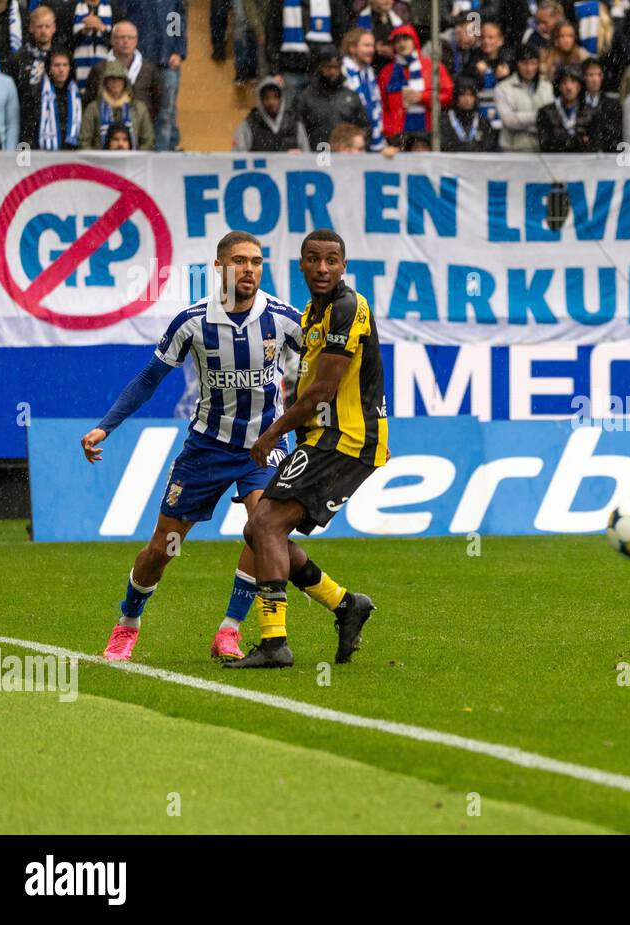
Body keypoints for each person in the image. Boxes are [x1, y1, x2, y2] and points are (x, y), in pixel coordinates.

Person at [82, 232, 304, 663]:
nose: (249, 269)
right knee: (164, 547)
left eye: (256, 261)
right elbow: (149, 378)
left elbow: (331, 362)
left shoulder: (283, 318)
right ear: (219, 266)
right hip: (207, 448)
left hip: (263, 446)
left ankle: (230, 629)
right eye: (239, 260)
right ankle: (128, 623)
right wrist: (106, 427)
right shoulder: (192, 321)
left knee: (265, 530)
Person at [233, 229, 385, 670]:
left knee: (266, 524)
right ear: (300, 264)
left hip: (346, 439)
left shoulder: (348, 307)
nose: (322, 268)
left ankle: (274, 643)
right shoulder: (311, 314)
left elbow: (323, 388)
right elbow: (306, 384)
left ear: (343, 266)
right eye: (314, 259)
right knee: (260, 530)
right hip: (323, 438)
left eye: (331, 260)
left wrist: (271, 434)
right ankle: (345, 604)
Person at [124, 1, 185, 149]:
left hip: (167, 59)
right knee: (136, 110)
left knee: (166, 113)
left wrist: (177, 50)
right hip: (138, 60)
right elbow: (123, 17)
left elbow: (176, 18)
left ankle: (162, 154)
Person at [267, 0, 352, 101]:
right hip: (291, 69)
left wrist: (334, 62)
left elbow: (340, 31)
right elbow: (273, 35)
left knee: (323, 108)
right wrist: (275, 71)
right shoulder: (279, 2)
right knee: (291, 108)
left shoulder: (332, 3)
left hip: (323, 70)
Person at [378, 22, 451, 136]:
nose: (402, 44)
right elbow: (381, 105)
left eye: (406, 39)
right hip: (398, 133)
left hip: (429, 130)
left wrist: (422, 97)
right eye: (398, 41)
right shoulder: (386, 72)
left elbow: (447, 95)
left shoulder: (432, 66)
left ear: (414, 41)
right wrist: (389, 130)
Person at [297, 44, 368, 148]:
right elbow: (297, 130)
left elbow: (364, 128)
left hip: (346, 154)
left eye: (336, 67)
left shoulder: (351, 96)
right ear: (320, 67)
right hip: (317, 154)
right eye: (328, 67)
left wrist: (354, 148)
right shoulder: (306, 97)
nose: (332, 72)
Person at [84, 19, 158, 114]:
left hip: (142, 121)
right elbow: (90, 101)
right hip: (107, 121)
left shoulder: (150, 69)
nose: (126, 41)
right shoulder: (99, 69)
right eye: (121, 37)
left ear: (136, 41)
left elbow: (157, 101)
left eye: (130, 37)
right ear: (112, 40)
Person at [79, 58, 154, 148]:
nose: (115, 82)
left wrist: (136, 156)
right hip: (100, 156)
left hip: (133, 156)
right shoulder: (93, 108)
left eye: (119, 78)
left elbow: (148, 140)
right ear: (105, 81)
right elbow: (84, 141)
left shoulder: (139, 108)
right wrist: (95, 156)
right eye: (111, 78)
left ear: (125, 82)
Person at [495, 41, 551, 151]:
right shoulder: (502, 88)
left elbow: (551, 119)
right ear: (517, 64)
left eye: (533, 63)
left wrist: (522, 122)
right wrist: (538, 117)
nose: (529, 68)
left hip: (542, 148)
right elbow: (509, 121)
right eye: (525, 63)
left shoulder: (547, 87)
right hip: (513, 149)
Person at [233, 74, 308, 150]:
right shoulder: (248, 125)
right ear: (260, 100)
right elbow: (237, 154)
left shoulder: (295, 124)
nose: (271, 102)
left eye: (275, 97)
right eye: (267, 98)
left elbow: (306, 154)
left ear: (281, 99)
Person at [24, 48, 79, 148]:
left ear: (70, 68)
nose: (61, 69)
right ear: (49, 68)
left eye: (65, 65)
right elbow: (27, 131)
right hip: (41, 153)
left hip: (71, 152)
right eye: (57, 65)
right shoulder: (36, 93)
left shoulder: (77, 95)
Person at [341, 26, 385, 149]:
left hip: (373, 137)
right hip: (350, 141)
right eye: (366, 45)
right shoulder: (342, 72)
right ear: (352, 48)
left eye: (372, 46)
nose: (372, 50)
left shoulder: (370, 73)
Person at [536, 62, 591, 151]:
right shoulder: (545, 112)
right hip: (554, 158)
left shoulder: (590, 112)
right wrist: (577, 141)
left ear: (580, 86)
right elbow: (544, 143)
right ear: (559, 86)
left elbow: (594, 144)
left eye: (573, 82)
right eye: (564, 82)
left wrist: (560, 140)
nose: (569, 87)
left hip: (585, 159)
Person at [440, 74, 497, 150]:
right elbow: (443, 146)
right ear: (456, 98)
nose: (467, 99)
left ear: (475, 98)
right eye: (463, 95)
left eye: (471, 95)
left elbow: (489, 147)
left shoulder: (483, 122)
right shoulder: (445, 121)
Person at [70, 0, 112, 91]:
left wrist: (102, 28)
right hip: (77, 72)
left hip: (106, 71)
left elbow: (117, 44)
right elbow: (65, 43)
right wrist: (83, 32)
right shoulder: (72, 7)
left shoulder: (113, 8)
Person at [580, 55, 618, 151]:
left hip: (607, 152)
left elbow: (615, 134)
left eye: (599, 75)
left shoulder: (612, 104)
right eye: (591, 75)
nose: (595, 79)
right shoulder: (577, 103)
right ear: (584, 77)